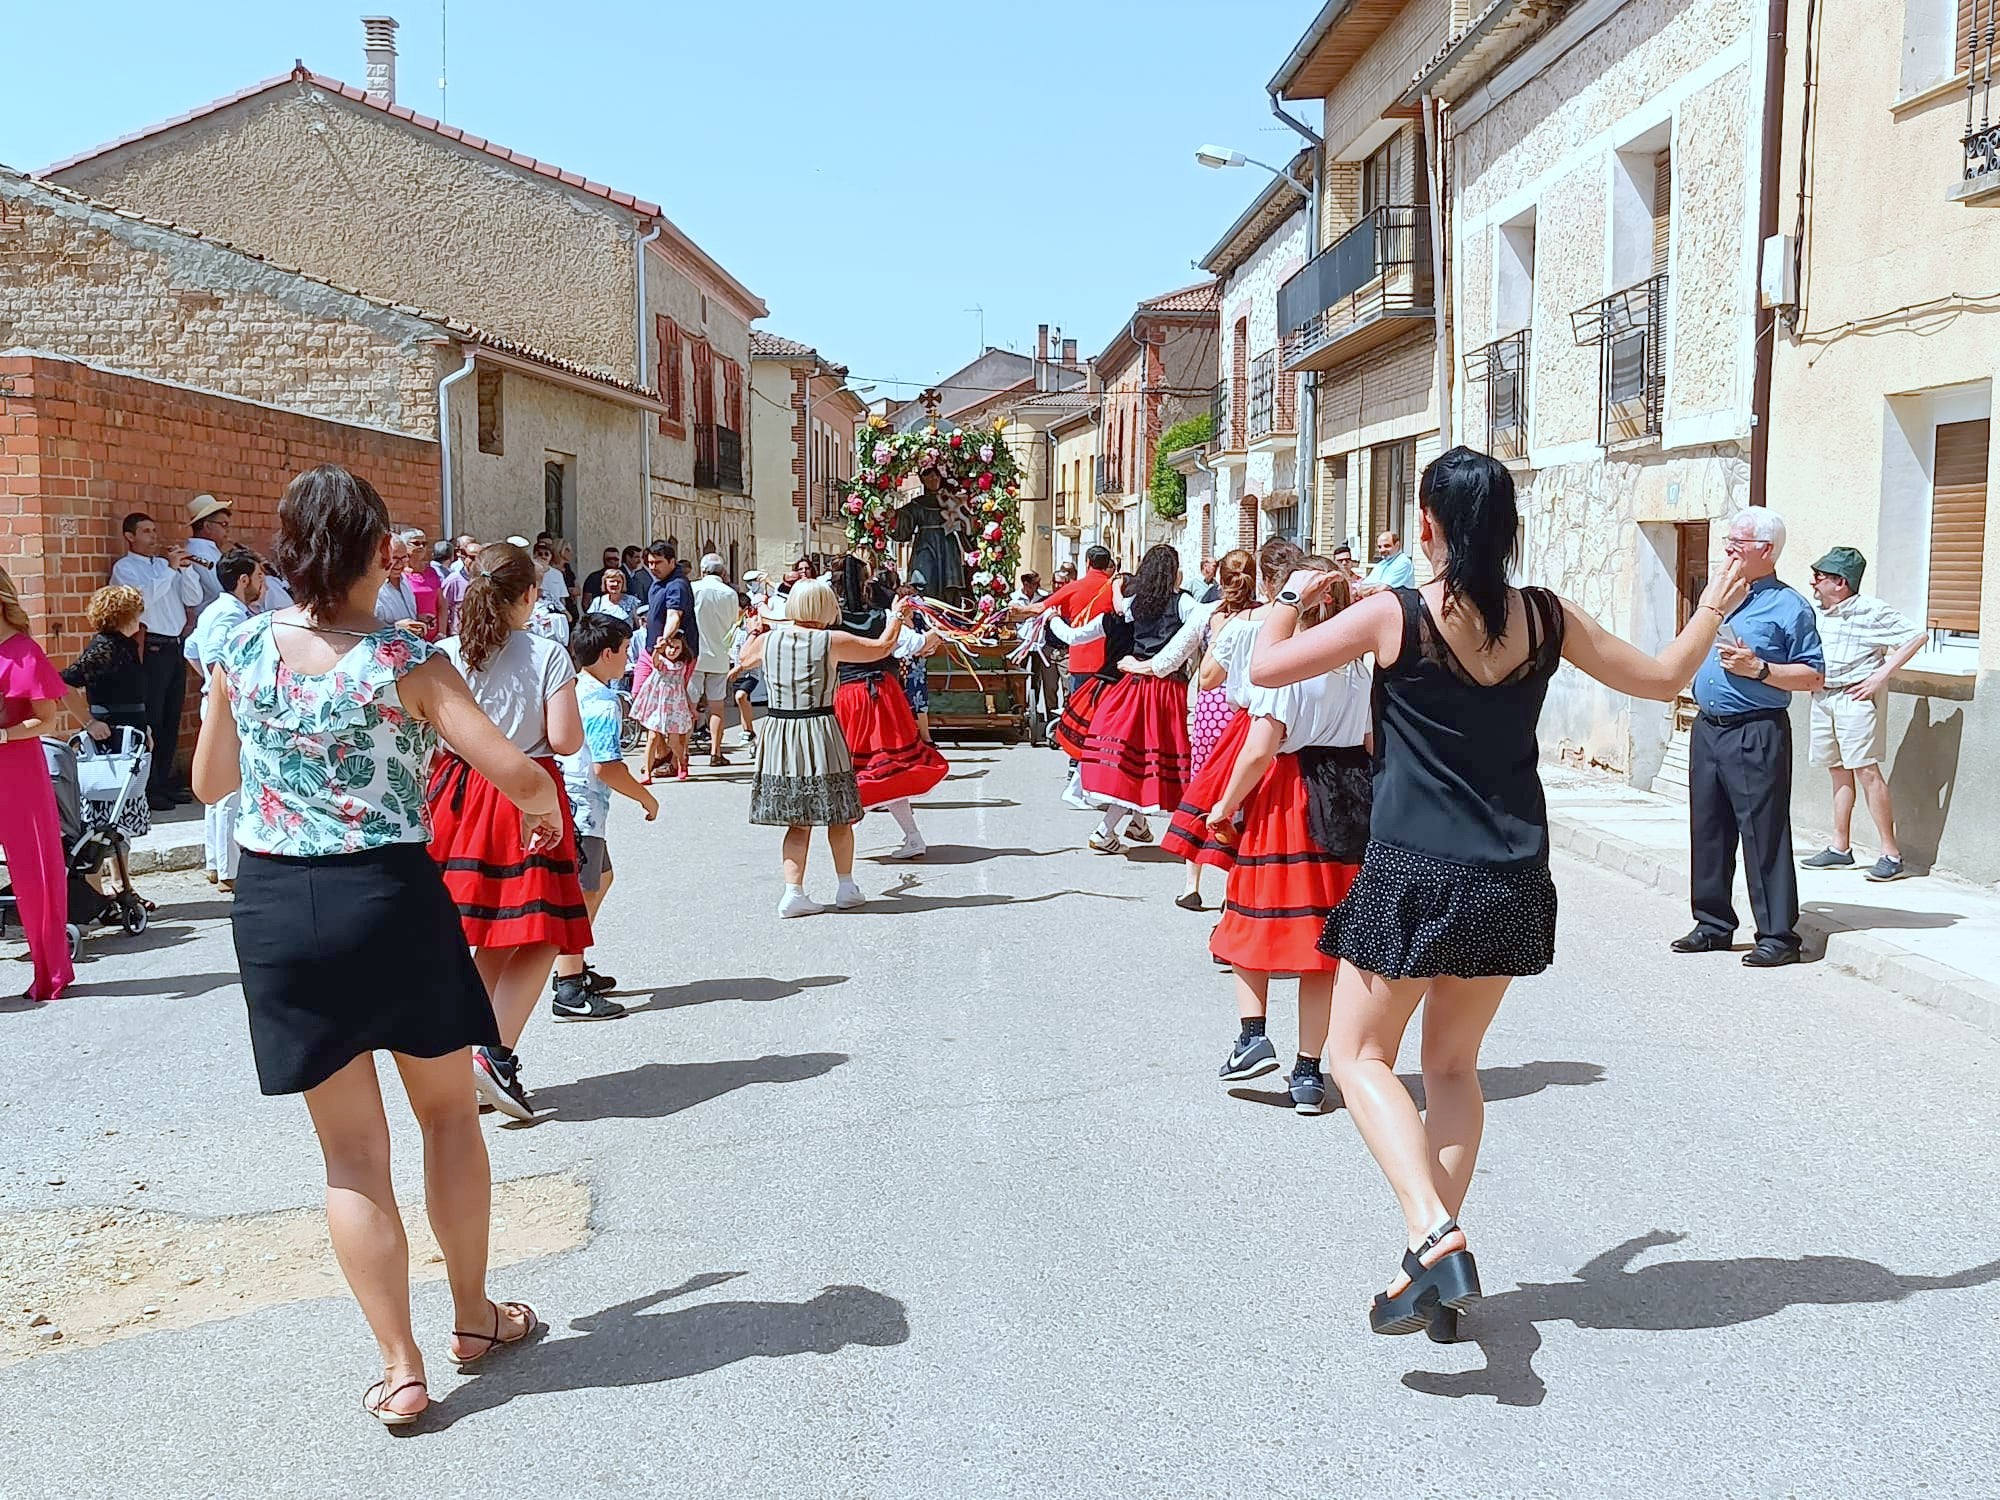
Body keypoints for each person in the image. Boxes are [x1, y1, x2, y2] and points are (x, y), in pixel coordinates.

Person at [1249, 445, 1748, 1338]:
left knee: (1361, 1059)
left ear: (1429, 526)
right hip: (1512, 876)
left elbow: (1265, 666)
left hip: (1412, 869)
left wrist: (1301, 589)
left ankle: (1433, 1236)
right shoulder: (1547, 619)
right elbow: (1667, 677)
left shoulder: (1395, 616)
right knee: (1451, 1068)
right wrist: (1712, 602)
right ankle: (1427, 1271)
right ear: (1508, 528)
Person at [191, 466, 556, 1424]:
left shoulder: (239, 648)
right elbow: (514, 770)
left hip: (278, 908)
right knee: (446, 1116)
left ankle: (400, 1369)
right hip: (388, 895)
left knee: (350, 1154)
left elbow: (209, 784)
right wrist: (544, 814)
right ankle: (473, 1316)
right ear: (371, 554)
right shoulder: (403, 658)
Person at [431, 542, 591, 1123]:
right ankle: (494, 1055)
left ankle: (468, 1052)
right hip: (524, 792)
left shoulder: (444, 652)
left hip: (456, 792)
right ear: (528, 595)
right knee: (545, 929)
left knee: (487, 933)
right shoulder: (545, 653)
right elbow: (567, 738)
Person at [1205, 555, 1371, 1113]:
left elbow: (1260, 748)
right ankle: (1308, 1074)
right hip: (1348, 798)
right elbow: (1373, 742)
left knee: (1251, 914)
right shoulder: (1359, 668)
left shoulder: (1288, 665)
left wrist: (1224, 806)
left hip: (1290, 794)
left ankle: (1252, 1036)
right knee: (1321, 944)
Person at [1673, 507, 1825, 967]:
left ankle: (1779, 936)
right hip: (1708, 729)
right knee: (1708, 828)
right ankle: (1713, 924)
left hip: (1756, 730)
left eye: (1738, 542)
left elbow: (1813, 676)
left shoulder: (1790, 606)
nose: (1728, 549)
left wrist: (1760, 668)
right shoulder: (1717, 595)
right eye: (1728, 540)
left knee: (1763, 833)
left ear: (1766, 550)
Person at [740, 578, 911, 916]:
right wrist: (897, 617)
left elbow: (745, 659)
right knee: (839, 814)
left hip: (779, 730)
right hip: (819, 727)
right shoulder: (830, 641)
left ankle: (793, 892)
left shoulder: (767, 641)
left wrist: (754, 628)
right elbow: (880, 648)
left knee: (796, 819)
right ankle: (846, 885)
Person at [1157, 545, 1281, 911]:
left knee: (1203, 789)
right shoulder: (1268, 616)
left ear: (1221, 580)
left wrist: (1145, 666)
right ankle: (1232, 888)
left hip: (1211, 710)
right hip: (1249, 710)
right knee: (1243, 797)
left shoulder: (1208, 615)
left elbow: (1173, 657)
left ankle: (1190, 884)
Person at [550, 613, 658, 1020]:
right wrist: (646, 798)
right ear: (608, 652)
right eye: (626, 651)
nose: (629, 659)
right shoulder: (603, 702)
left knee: (600, 880)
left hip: (570, 802)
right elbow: (606, 766)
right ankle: (569, 986)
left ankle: (571, 965)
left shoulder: (572, 688)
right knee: (582, 895)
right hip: (584, 809)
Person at [1799, 546, 1925, 882]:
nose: (1813, 583)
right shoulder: (1818, 611)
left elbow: (1916, 636)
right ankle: (1840, 848)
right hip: (1823, 697)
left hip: (1855, 698)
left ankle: (1890, 854)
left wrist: (1881, 675)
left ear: (1840, 582)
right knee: (1837, 771)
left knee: (1867, 771)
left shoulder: (1872, 611)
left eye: (1819, 577)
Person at [1071, 544, 1200, 855]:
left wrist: (1116, 585)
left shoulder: (1137, 603)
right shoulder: (1182, 602)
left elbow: (1118, 605)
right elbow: (1202, 621)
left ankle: (1138, 822)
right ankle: (1104, 830)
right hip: (1164, 686)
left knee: (1137, 754)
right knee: (1145, 756)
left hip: (1133, 682)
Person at [833, 555, 947, 860]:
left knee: (854, 768)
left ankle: (847, 836)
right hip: (882, 695)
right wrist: (941, 628)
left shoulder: (828, 621)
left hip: (848, 697)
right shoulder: (883, 618)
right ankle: (909, 836)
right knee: (887, 768)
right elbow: (919, 645)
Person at [0, 565, 75, 1003]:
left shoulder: (23, 651)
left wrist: (6, 735)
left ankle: (50, 969)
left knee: (35, 871)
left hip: (18, 768)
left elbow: (47, 719)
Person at [183, 547, 266, 892]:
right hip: (228, 705)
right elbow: (217, 658)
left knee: (220, 792)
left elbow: (190, 650)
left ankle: (217, 863)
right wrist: (220, 690)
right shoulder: (230, 615)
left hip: (215, 700)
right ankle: (229, 870)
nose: (263, 583)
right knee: (232, 789)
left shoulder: (216, 609)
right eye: (259, 576)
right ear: (243, 579)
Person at [110, 510, 203, 810]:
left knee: (172, 717)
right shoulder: (125, 569)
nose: (154, 537)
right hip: (150, 647)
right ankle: (148, 787)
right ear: (130, 536)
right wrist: (170, 571)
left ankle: (164, 780)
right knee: (153, 717)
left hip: (174, 645)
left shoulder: (165, 567)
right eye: (146, 531)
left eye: (154, 530)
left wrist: (185, 570)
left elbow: (193, 597)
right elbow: (143, 601)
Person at [1041, 545, 1119, 809]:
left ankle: (1074, 768)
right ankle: (1097, 776)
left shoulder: (1074, 587)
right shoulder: (1113, 588)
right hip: (1109, 666)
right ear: (1108, 565)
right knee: (1104, 722)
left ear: (1087, 562)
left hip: (1080, 663)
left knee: (1077, 719)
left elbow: (1043, 607)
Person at [61, 585, 152, 751]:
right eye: (136, 616)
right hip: (109, 733)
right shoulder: (105, 647)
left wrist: (145, 728)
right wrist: (89, 722)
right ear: (126, 617)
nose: (139, 621)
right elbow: (64, 683)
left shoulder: (127, 644)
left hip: (132, 728)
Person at [692, 554, 743, 766]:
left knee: (689, 706)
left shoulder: (693, 588)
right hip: (719, 655)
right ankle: (716, 751)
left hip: (695, 655)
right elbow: (733, 623)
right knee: (717, 707)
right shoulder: (730, 593)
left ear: (703, 570)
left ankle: (682, 756)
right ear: (722, 572)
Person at [630, 619, 696, 782]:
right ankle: (647, 772)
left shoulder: (682, 665)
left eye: (677, 647)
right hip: (657, 705)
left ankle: (682, 761)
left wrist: (690, 707)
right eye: (670, 646)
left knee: (674, 741)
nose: (673, 650)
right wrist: (658, 650)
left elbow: (682, 686)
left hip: (674, 706)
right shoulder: (661, 661)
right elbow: (656, 661)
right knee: (652, 737)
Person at [894, 464, 968, 598]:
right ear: (922, 479)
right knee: (925, 581)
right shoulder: (916, 504)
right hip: (925, 546)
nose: (933, 479)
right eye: (928, 476)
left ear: (941, 477)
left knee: (949, 586)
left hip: (947, 547)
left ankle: (948, 615)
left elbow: (966, 523)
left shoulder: (951, 501)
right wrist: (891, 517)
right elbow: (903, 531)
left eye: (936, 475)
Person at [183, 494, 234, 610]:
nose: (228, 530)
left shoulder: (209, 550)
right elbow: (219, 590)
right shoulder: (199, 552)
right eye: (224, 525)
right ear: (207, 526)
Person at [374, 533, 423, 634]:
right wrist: (396, 628)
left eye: (404, 558)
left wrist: (419, 620)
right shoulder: (374, 589)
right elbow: (366, 630)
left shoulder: (405, 580)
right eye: (395, 559)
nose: (400, 564)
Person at [400, 530, 439, 637]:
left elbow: (442, 605)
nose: (421, 546)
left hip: (434, 636)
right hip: (410, 634)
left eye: (424, 544)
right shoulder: (399, 574)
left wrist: (442, 633)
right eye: (416, 543)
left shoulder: (432, 572)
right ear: (404, 545)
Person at [1356, 529, 1417, 595]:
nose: (1382, 550)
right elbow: (1361, 587)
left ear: (1397, 545)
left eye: (1387, 546)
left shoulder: (1403, 562)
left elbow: (1382, 589)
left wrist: (1367, 588)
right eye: (1379, 547)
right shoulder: (1380, 564)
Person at [439, 539, 476, 637]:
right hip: (458, 636)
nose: (475, 562)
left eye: (479, 558)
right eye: (472, 558)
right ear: (465, 558)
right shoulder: (452, 581)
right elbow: (442, 608)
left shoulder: (486, 581)